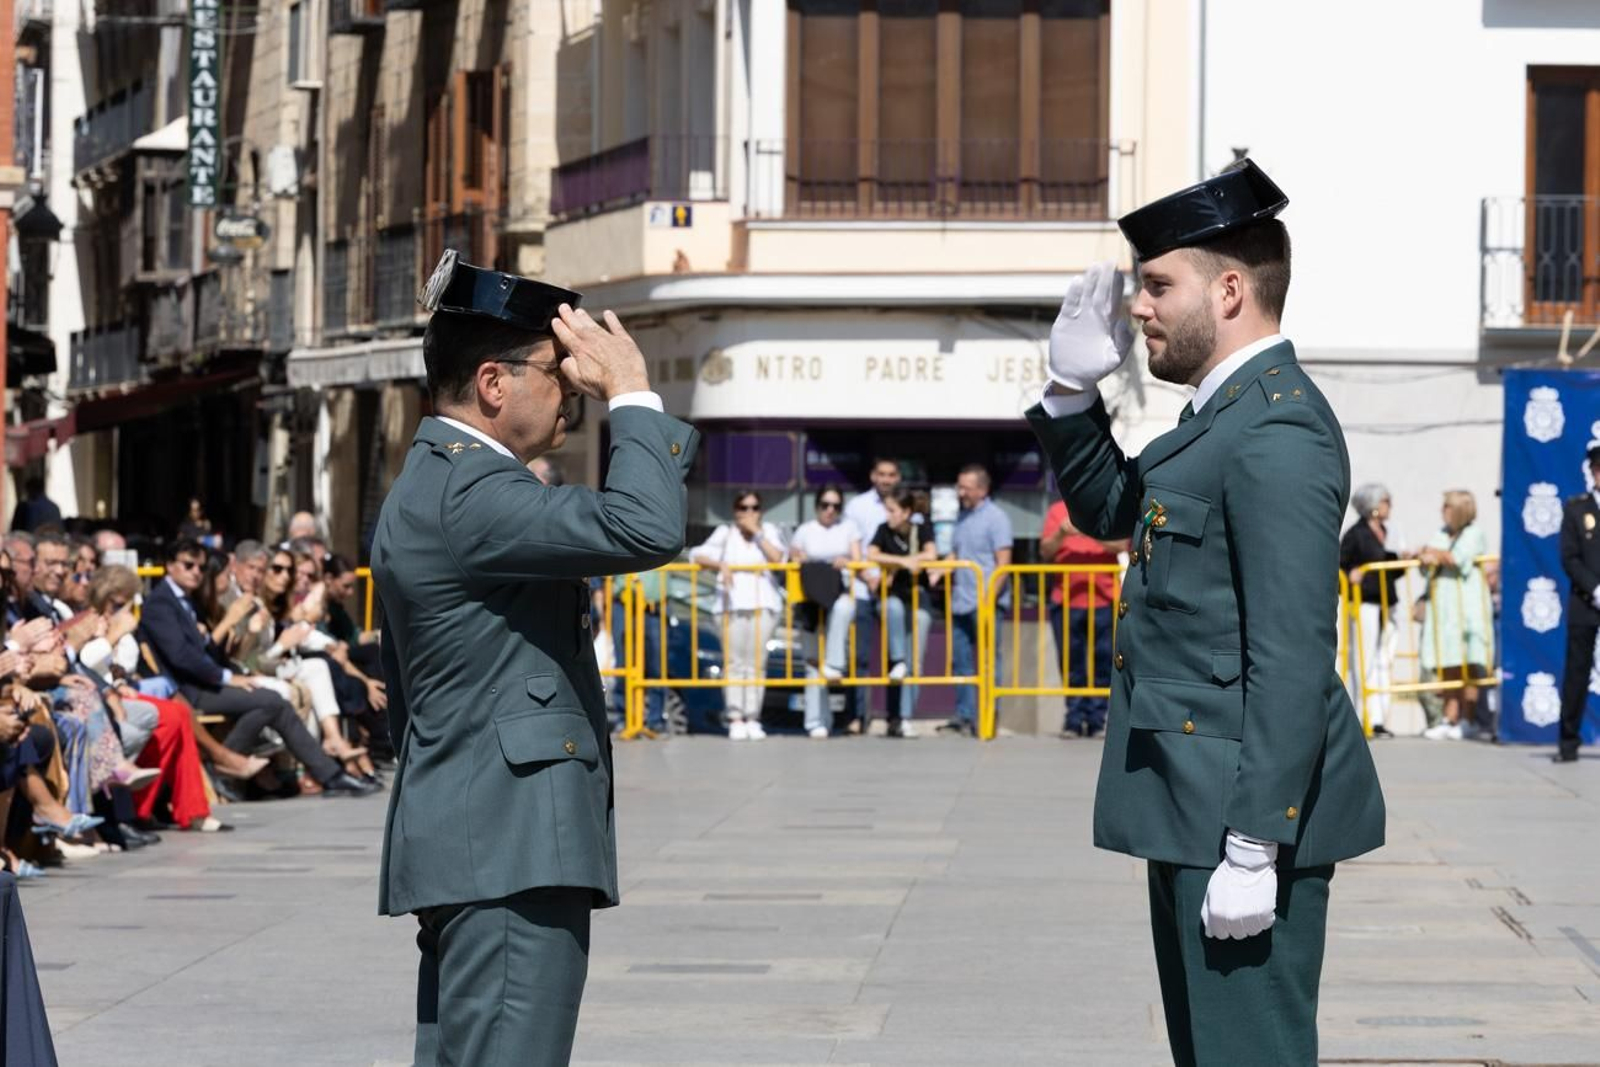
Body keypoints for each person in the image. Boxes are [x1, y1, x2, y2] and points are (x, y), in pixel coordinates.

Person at [1026, 159, 1385, 1065]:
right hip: (1196, 803)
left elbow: (1291, 652)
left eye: (1158, 285)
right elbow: (1113, 511)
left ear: (1228, 291)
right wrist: (1071, 395)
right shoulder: (1217, 421)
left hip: (1238, 813)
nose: (1138, 308)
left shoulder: (1277, 430)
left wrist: (1256, 842)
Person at [370, 249, 697, 1066]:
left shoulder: (437, 480)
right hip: (507, 849)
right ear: (493, 383)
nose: (574, 390)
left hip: (476, 835)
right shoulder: (475, 492)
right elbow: (644, 526)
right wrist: (632, 390)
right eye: (557, 372)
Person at [136, 539, 375, 798]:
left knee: (273, 701)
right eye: (188, 565)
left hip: (207, 680)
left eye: (200, 567)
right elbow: (182, 657)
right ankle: (230, 764)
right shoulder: (161, 603)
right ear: (170, 566)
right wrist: (226, 676)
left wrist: (221, 654)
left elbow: (206, 652)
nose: (196, 572)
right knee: (273, 700)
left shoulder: (187, 600)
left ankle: (328, 775)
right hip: (187, 689)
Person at [691, 491, 786, 740]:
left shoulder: (769, 531)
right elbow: (696, 554)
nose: (749, 513)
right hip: (731, 605)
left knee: (756, 663)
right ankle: (735, 717)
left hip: (763, 605)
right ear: (735, 511)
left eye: (754, 508)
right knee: (734, 663)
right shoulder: (725, 533)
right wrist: (720, 565)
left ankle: (753, 717)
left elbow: (779, 558)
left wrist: (757, 533)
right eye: (743, 508)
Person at [1040, 501, 1121, 738]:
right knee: (1070, 663)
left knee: (1103, 662)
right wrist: (1061, 533)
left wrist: (1091, 531)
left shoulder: (1107, 506)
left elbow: (1121, 545)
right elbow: (1045, 552)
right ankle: (1073, 719)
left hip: (1104, 598)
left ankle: (1097, 719)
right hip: (1065, 600)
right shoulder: (1057, 510)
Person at [942, 464, 1012, 737]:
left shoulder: (997, 518)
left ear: (982, 489)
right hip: (961, 601)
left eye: (966, 488)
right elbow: (957, 555)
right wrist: (937, 570)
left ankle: (987, 716)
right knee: (961, 663)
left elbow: (1003, 563)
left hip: (985, 603)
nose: (961, 493)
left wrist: (988, 599)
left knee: (988, 662)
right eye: (959, 487)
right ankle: (965, 715)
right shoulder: (962, 517)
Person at [1418, 490, 1493, 741]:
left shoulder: (1474, 533)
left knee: (1469, 663)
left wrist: (1430, 553)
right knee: (1448, 662)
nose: (1443, 511)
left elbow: (1457, 558)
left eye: (1447, 507)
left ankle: (1468, 718)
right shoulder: (1441, 533)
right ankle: (1449, 717)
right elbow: (1430, 561)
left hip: (1468, 607)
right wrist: (1426, 556)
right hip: (1444, 607)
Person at [866, 491, 938, 737]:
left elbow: (931, 554)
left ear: (906, 512)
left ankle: (905, 717)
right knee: (893, 608)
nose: (887, 515)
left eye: (892, 510)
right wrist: (903, 562)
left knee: (915, 660)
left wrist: (910, 559)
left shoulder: (921, 528)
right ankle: (897, 659)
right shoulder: (883, 530)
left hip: (917, 597)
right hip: (892, 597)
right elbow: (872, 554)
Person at [1340, 484, 1400, 738]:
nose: (1390, 506)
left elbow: (1391, 566)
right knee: (1363, 659)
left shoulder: (1386, 532)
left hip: (1387, 602)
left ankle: (1378, 719)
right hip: (1365, 602)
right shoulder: (1356, 534)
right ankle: (1360, 714)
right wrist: (1350, 573)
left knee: (1384, 658)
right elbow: (1340, 564)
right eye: (1386, 501)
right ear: (1373, 505)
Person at [788, 485, 861, 685]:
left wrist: (846, 561)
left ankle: (834, 663)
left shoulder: (848, 528)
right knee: (812, 663)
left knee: (844, 607)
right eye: (825, 505)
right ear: (817, 505)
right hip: (810, 597)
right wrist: (800, 558)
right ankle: (814, 709)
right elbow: (793, 556)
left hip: (837, 591)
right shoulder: (805, 530)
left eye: (836, 506)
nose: (830, 510)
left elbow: (857, 559)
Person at [1555, 447, 1600, 763]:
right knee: (1576, 674)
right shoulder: (1576, 509)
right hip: (1586, 602)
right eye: (1597, 469)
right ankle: (1568, 742)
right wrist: (1595, 589)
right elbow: (1569, 557)